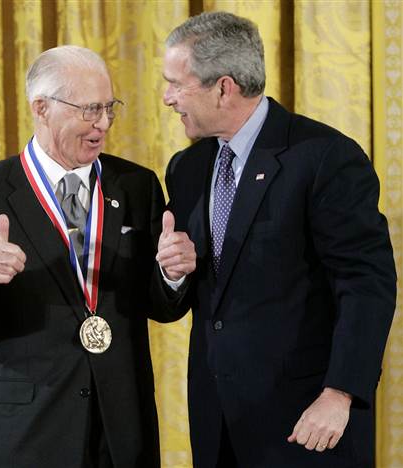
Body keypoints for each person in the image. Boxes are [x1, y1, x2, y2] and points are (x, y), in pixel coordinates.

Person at [155, 11, 396, 468]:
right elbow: (190, 302)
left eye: (175, 83)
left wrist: (340, 393)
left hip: (307, 423)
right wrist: (173, 273)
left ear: (223, 87)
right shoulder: (185, 170)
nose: (167, 98)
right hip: (219, 424)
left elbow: (367, 284)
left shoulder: (324, 157)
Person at [0, 45, 165, 467]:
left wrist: (173, 274)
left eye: (110, 108)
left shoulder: (136, 185)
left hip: (121, 427)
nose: (104, 124)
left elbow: (162, 305)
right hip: (29, 431)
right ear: (41, 108)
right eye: (90, 110)